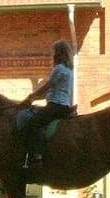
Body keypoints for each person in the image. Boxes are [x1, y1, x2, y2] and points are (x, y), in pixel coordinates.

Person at [17, 39, 74, 169]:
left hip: (55, 105)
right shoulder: (68, 70)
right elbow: (50, 90)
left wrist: (30, 98)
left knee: (32, 123)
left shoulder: (58, 69)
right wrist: (34, 99)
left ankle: (36, 157)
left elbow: (47, 86)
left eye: (53, 51)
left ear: (58, 53)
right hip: (63, 105)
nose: (51, 54)